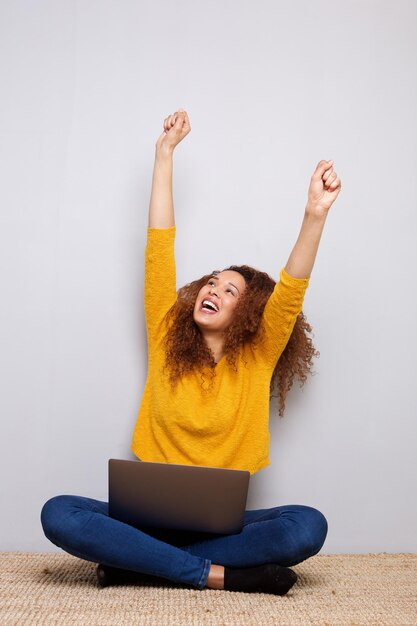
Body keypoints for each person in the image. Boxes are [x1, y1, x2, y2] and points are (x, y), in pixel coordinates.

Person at [41, 109, 342, 596]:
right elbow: (159, 246)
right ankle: (213, 575)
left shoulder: (260, 354)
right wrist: (164, 155)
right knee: (59, 513)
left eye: (230, 292)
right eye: (213, 282)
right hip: (148, 522)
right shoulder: (166, 337)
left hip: (219, 530)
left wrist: (314, 214)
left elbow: (291, 290)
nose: (214, 289)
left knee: (307, 526)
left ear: (248, 316)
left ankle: (137, 565)